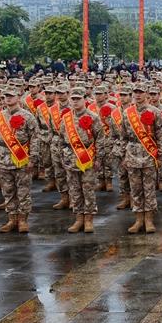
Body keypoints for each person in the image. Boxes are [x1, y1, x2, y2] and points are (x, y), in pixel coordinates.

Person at [0, 85, 36, 233]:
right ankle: (11, 219)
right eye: (6, 96)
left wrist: (33, 159)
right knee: (8, 191)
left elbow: (34, 138)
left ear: (18, 97)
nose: (8, 99)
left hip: (22, 158)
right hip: (3, 158)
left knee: (23, 191)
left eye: (11, 96)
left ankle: (22, 220)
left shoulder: (28, 116)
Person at [122, 84, 162, 234]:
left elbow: (161, 136)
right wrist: (123, 155)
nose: (138, 95)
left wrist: (160, 155)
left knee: (149, 188)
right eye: (135, 92)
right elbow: (123, 136)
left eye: (141, 92)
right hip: (132, 153)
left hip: (149, 154)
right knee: (135, 189)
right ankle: (138, 219)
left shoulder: (155, 112)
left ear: (146, 93)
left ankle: (149, 219)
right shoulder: (127, 113)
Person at [61, 87, 99, 233]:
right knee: (74, 190)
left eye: (78, 99)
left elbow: (100, 139)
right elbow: (62, 138)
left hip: (88, 158)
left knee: (88, 189)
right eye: (73, 99)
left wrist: (98, 159)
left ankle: (88, 219)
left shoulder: (93, 117)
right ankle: (78, 218)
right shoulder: (66, 118)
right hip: (71, 158)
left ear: (85, 99)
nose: (75, 101)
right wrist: (62, 156)